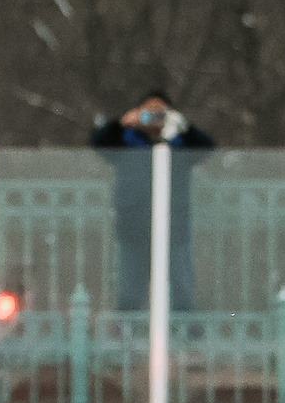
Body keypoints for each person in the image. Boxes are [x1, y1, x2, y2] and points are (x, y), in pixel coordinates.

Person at [91, 88, 214, 311]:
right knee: (130, 291)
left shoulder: (179, 142)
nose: (155, 120)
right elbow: (99, 143)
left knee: (182, 289)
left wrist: (183, 127)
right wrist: (122, 123)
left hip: (173, 226)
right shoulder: (127, 140)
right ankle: (126, 331)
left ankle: (185, 331)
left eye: (160, 114)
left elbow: (206, 148)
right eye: (149, 114)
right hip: (133, 227)